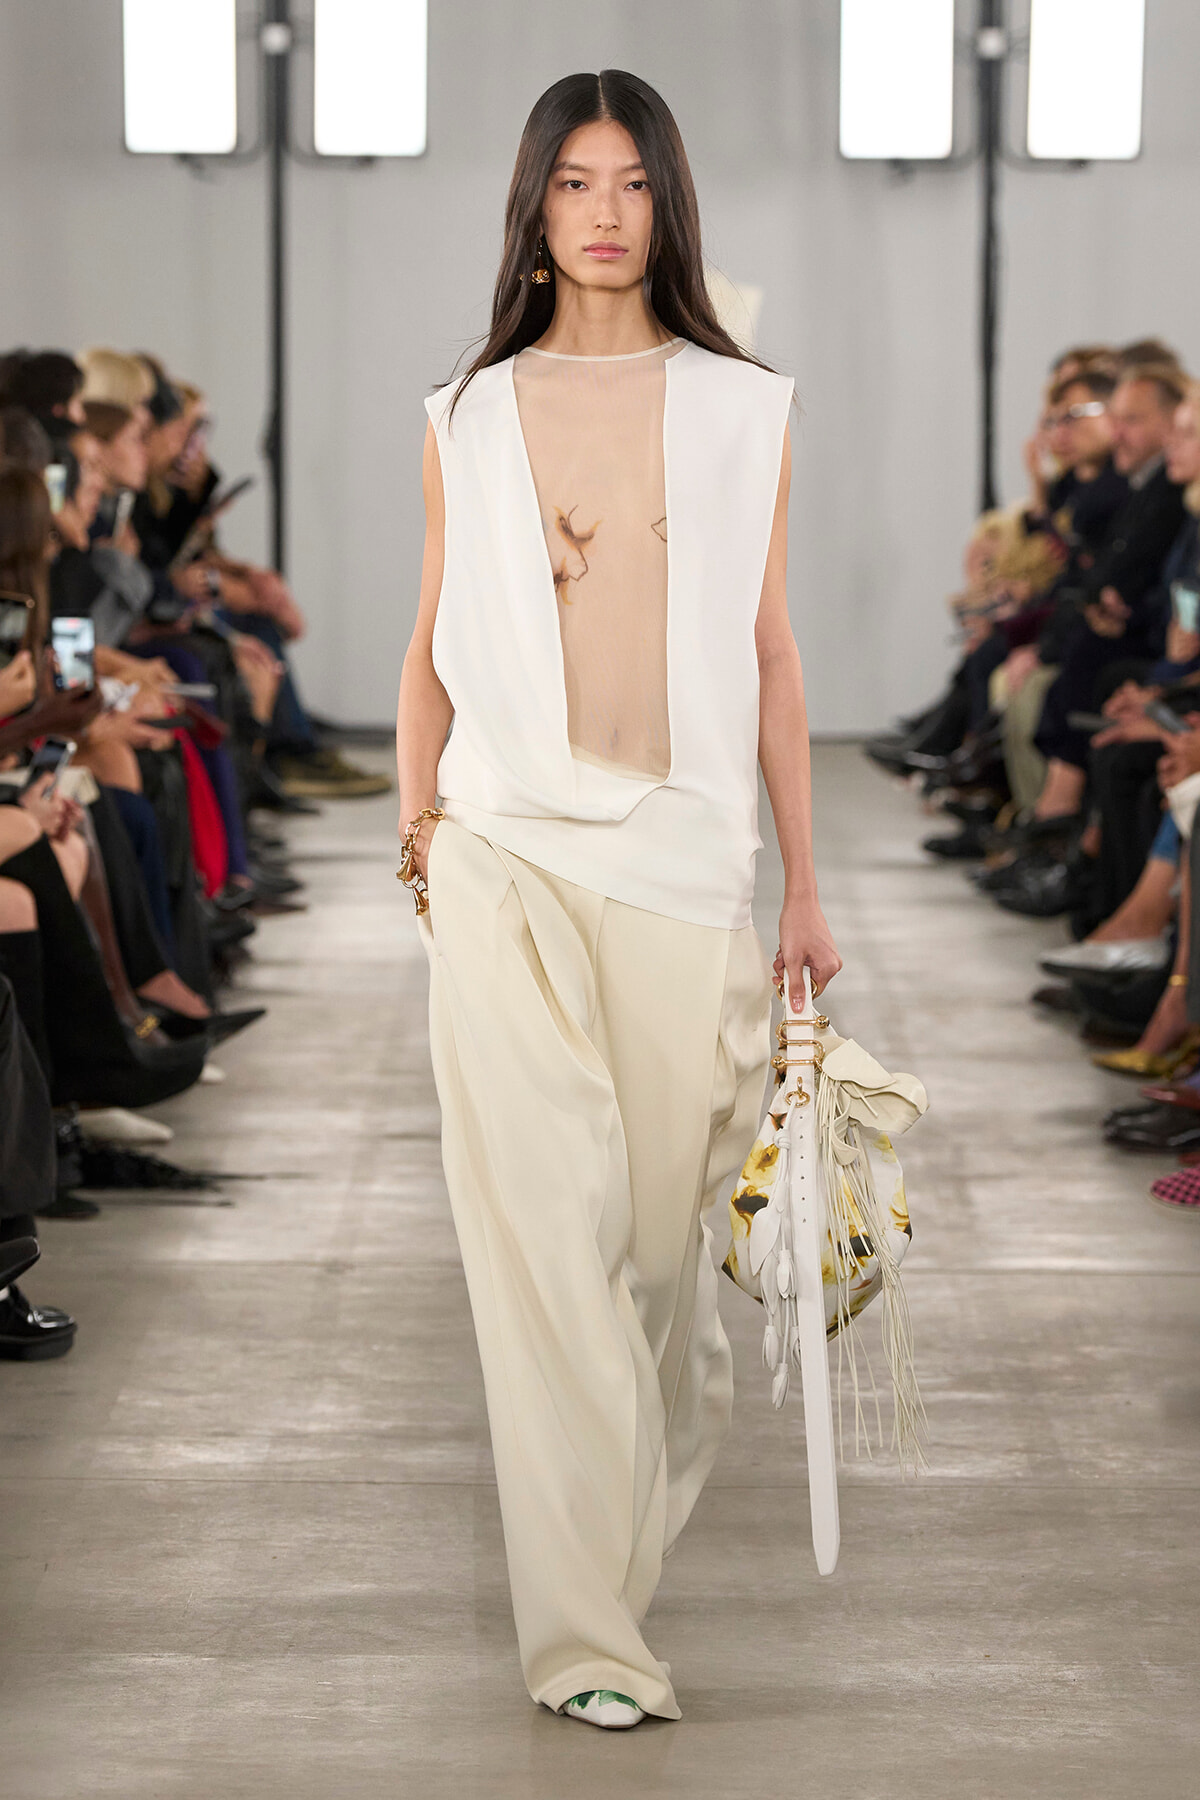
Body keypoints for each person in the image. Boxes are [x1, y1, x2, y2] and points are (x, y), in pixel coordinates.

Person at [394, 69, 840, 1731]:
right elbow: (431, 640)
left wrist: (804, 887)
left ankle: (607, 1559)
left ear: (668, 203)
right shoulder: (471, 414)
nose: (602, 210)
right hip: (504, 851)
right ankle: (583, 1638)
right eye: (574, 180)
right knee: (541, 1249)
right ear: (535, 204)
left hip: (681, 862)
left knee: (660, 1280)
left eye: (632, 181)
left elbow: (774, 655)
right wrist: (419, 830)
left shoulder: (746, 408)